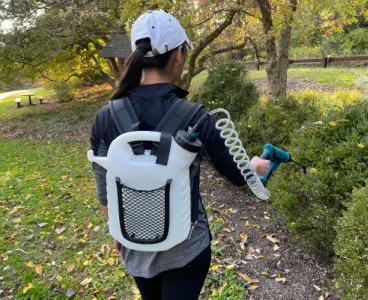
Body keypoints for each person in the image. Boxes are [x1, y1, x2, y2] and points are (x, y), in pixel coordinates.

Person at [90, 10, 270, 300]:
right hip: (188, 248)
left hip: (136, 245)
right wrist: (254, 166)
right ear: (177, 56)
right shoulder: (197, 118)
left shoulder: (106, 116)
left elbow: (104, 189)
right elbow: (237, 176)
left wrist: (118, 231)